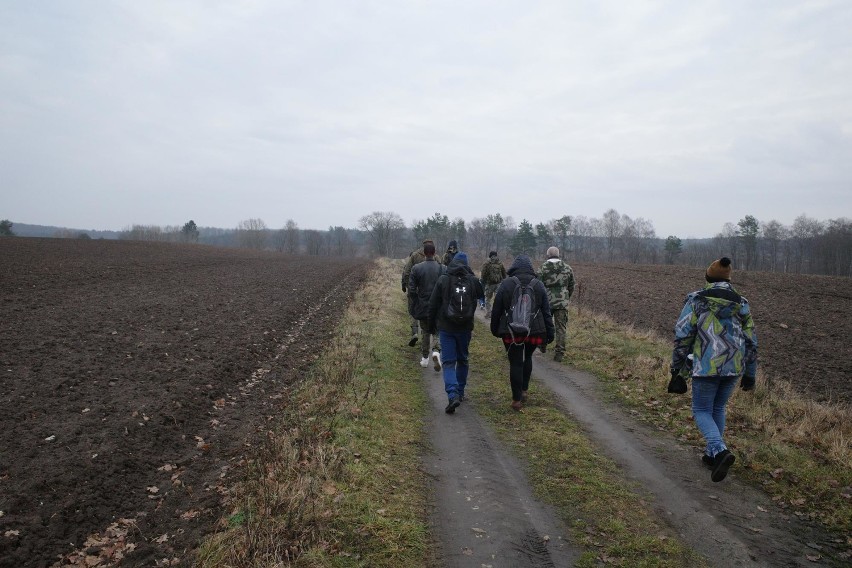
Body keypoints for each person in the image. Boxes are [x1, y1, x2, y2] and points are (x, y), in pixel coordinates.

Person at [670, 257, 758, 483]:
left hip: (706, 365)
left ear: (708, 277)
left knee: (701, 410)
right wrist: (750, 374)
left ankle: (719, 450)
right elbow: (751, 341)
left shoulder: (697, 300)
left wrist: (676, 368)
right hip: (734, 365)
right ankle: (711, 456)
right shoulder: (742, 303)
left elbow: (683, 336)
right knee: (718, 407)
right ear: (729, 278)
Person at [490, 255, 554, 411]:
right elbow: (546, 311)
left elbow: (496, 309)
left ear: (514, 267)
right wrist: (550, 333)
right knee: (528, 357)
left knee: (516, 362)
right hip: (534, 331)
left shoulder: (506, 284)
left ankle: (516, 399)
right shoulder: (538, 285)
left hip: (511, 332)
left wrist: (495, 329)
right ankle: (524, 390)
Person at [427, 251, 484, 414]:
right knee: (463, 359)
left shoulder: (444, 279)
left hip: (446, 328)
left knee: (449, 362)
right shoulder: (472, 280)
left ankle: (452, 396)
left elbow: (432, 305)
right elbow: (481, 295)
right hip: (465, 328)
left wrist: (432, 326)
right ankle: (460, 392)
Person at [408, 242, 444, 370]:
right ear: (434, 253)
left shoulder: (416, 268)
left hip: (423, 305)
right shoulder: (443, 268)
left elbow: (411, 289)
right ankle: (436, 350)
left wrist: (416, 301)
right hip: (438, 306)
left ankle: (424, 358)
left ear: (424, 253)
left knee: (425, 331)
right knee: (437, 330)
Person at [537, 246, 575, 362]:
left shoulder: (542, 268)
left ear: (548, 255)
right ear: (559, 254)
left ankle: (542, 345)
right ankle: (559, 353)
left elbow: (538, 286)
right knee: (561, 328)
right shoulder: (567, 268)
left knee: (544, 325)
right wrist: (566, 297)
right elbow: (571, 285)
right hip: (562, 302)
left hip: (546, 302)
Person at [401, 239, 434, 347]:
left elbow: (406, 272)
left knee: (413, 311)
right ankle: (429, 337)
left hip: (415, 290)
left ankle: (415, 333)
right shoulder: (436, 257)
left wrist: (408, 287)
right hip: (430, 292)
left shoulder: (414, 256)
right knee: (428, 313)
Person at [480, 251, 507, 319]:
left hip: (489, 284)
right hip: (498, 284)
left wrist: (484, 280)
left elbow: (483, 274)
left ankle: (488, 313)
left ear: (490, 255)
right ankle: (497, 313)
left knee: (487, 299)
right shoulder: (500, 263)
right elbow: (504, 274)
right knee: (498, 299)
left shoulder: (487, 263)